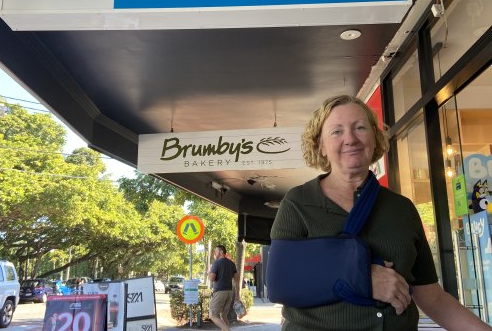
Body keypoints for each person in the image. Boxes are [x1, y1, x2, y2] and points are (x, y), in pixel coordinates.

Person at [270, 95, 491, 331]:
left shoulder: (402, 209)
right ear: (320, 145)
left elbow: (432, 297)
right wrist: (363, 278)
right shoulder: (298, 202)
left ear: (375, 139)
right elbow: (280, 282)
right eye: (336, 132)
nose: (350, 139)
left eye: (360, 127)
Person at [208, 245, 240, 331]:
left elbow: (211, 279)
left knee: (213, 315)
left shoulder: (216, 263)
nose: (214, 253)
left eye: (216, 251)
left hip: (219, 292)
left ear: (221, 251)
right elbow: (237, 280)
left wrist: (209, 272)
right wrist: (237, 295)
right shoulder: (232, 263)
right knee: (224, 315)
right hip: (229, 292)